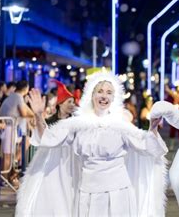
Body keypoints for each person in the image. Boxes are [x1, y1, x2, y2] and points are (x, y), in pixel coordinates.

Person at [16, 72, 168, 216]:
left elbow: (148, 146)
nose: (104, 96)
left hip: (119, 193)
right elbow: (48, 139)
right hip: (88, 192)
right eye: (100, 91)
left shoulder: (121, 125)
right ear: (91, 95)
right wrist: (38, 115)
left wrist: (153, 128)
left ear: (114, 98)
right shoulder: (77, 124)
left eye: (109, 92)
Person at [0, 80, 34, 188]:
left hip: (8, 128)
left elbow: (28, 112)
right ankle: (4, 179)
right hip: (8, 128)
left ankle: (9, 175)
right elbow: (24, 113)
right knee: (7, 156)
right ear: (26, 89)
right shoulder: (18, 97)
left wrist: (33, 113)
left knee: (25, 142)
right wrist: (33, 114)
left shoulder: (14, 96)